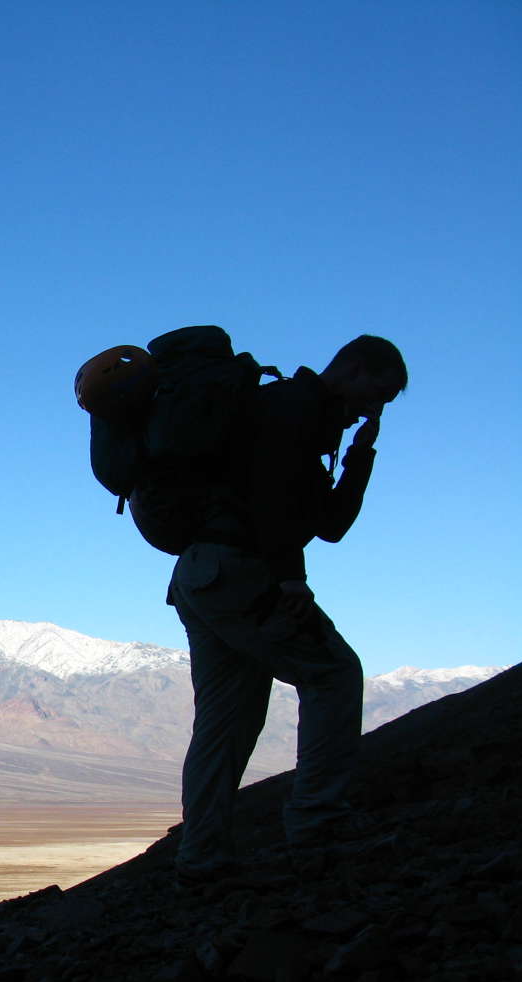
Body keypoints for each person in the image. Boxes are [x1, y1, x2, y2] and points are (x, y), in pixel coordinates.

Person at [167, 334, 408, 882]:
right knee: (334, 674)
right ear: (352, 369)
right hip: (241, 571)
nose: (375, 406)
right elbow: (269, 497)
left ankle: (202, 857)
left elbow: (331, 525)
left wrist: (361, 453)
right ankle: (319, 823)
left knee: (227, 721)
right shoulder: (292, 409)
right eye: (378, 392)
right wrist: (290, 579)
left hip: (201, 576)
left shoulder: (305, 421)